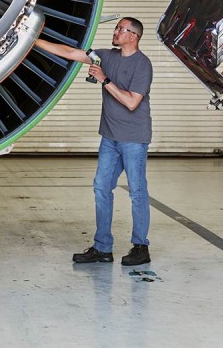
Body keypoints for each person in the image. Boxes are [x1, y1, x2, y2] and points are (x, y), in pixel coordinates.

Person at [34, 18, 153, 267]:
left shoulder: (143, 65)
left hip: (133, 138)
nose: (116, 31)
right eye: (116, 28)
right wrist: (33, 40)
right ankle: (102, 248)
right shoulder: (106, 56)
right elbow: (70, 52)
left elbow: (132, 102)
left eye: (121, 29)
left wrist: (104, 80)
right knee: (101, 188)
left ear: (134, 36)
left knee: (137, 191)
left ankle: (140, 247)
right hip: (109, 137)